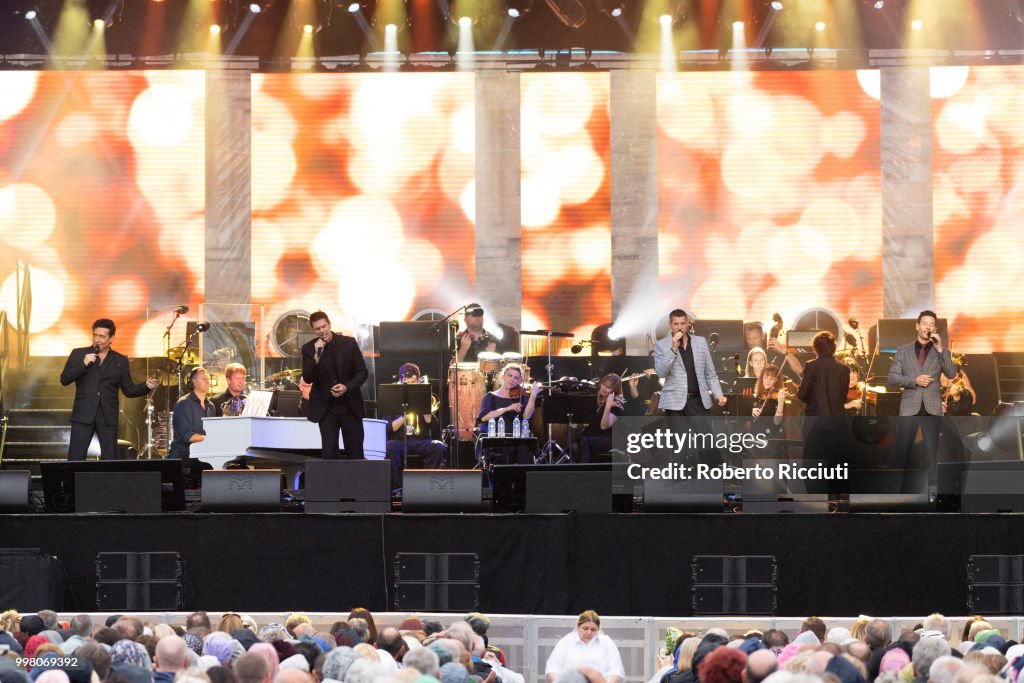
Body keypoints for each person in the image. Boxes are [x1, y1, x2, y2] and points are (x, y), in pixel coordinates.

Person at [60, 318, 158, 461]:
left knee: (110, 457)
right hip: (83, 413)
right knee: (76, 456)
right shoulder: (79, 354)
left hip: (107, 415)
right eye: (95, 335)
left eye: (102, 336)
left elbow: (128, 390)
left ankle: (108, 483)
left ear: (111, 338)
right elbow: (64, 379)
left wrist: (145, 386)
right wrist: (83, 364)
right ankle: (72, 484)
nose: (97, 340)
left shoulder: (120, 360)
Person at [888, 310, 956, 486]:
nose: (928, 327)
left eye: (932, 324)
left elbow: (951, 373)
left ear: (935, 328)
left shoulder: (942, 351)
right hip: (909, 406)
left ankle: (932, 491)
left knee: (931, 452)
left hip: (932, 407)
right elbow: (892, 378)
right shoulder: (903, 351)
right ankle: (897, 489)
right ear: (917, 326)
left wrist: (941, 349)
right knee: (903, 450)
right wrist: (914, 380)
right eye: (925, 323)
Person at [301, 311, 368, 460]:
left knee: (355, 451)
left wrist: (347, 387)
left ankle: (357, 483)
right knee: (329, 453)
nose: (322, 331)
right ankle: (331, 483)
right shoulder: (309, 349)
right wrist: (316, 356)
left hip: (349, 406)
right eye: (317, 329)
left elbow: (362, 372)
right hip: (326, 409)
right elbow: (308, 378)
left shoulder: (348, 343)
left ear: (329, 324)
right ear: (313, 330)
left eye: (323, 326)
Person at [652, 310, 728, 416]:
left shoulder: (700, 342)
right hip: (674, 402)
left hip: (698, 400)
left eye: (683, 323)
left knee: (704, 432)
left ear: (688, 323)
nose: (679, 327)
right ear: (670, 325)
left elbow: (710, 374)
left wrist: (718, 395)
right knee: (679, 433)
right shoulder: (661, 345)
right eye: (676, 324)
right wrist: (673, 349)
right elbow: (661, 373)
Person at [385, 363, 447, 488]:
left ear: (418, 381)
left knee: (438, 447)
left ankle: (428, 486)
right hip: (401, 441)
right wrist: (406, 413)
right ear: (401, 381)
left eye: (413, 383)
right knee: (389, 446)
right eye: (407, 384)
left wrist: (424, 408)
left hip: (421, 441)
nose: (410, 387)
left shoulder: (425, 397)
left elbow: (434, 427)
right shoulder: (392, 397)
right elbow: (389, 428)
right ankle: (397, 489)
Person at [477, 364, 540, 464]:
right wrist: (506, 409)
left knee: (524, 448)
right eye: (509, 375)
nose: (512, 380)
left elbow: (526, 416)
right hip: (498, 439)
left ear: (519, 381)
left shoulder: (521, 397)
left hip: (517, 440)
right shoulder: (491, 396)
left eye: (516, 378)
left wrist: (533, 396)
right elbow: (484, 417)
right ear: (502, 376)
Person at [544, 610, 624, 683]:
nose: (589, 632)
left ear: (598, 629)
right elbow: (552, 669)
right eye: (585, 628)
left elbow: (616, 671)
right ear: (578, 627)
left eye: (593, 629)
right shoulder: (566, 642)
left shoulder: (606, 643)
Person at [796, 332, 849, 418]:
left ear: (816, 348)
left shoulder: (810, 366)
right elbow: (843, 398)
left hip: (814, 420)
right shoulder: (844, 369)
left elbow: (802, 395)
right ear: (834, 347)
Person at [169, 367, 217, 462]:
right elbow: (188, 436)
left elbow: (213, 432)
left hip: (202, 456)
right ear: (193, 382)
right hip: (183, 459)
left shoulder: (210, 406)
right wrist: (213, 440)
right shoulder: (184, 403)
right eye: (204, 379)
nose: (208, 382)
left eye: (208, 379)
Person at [579, 374, 625, 463]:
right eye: (603, 384)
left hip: (611, 440)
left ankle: (583, 473)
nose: (603, 388)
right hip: (599, 437)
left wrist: (608, 406)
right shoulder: (601, 402)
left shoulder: (617, 405)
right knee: (578, 439)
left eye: (608, 387)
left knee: (586, 441)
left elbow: (604, 426)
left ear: (614, 391)